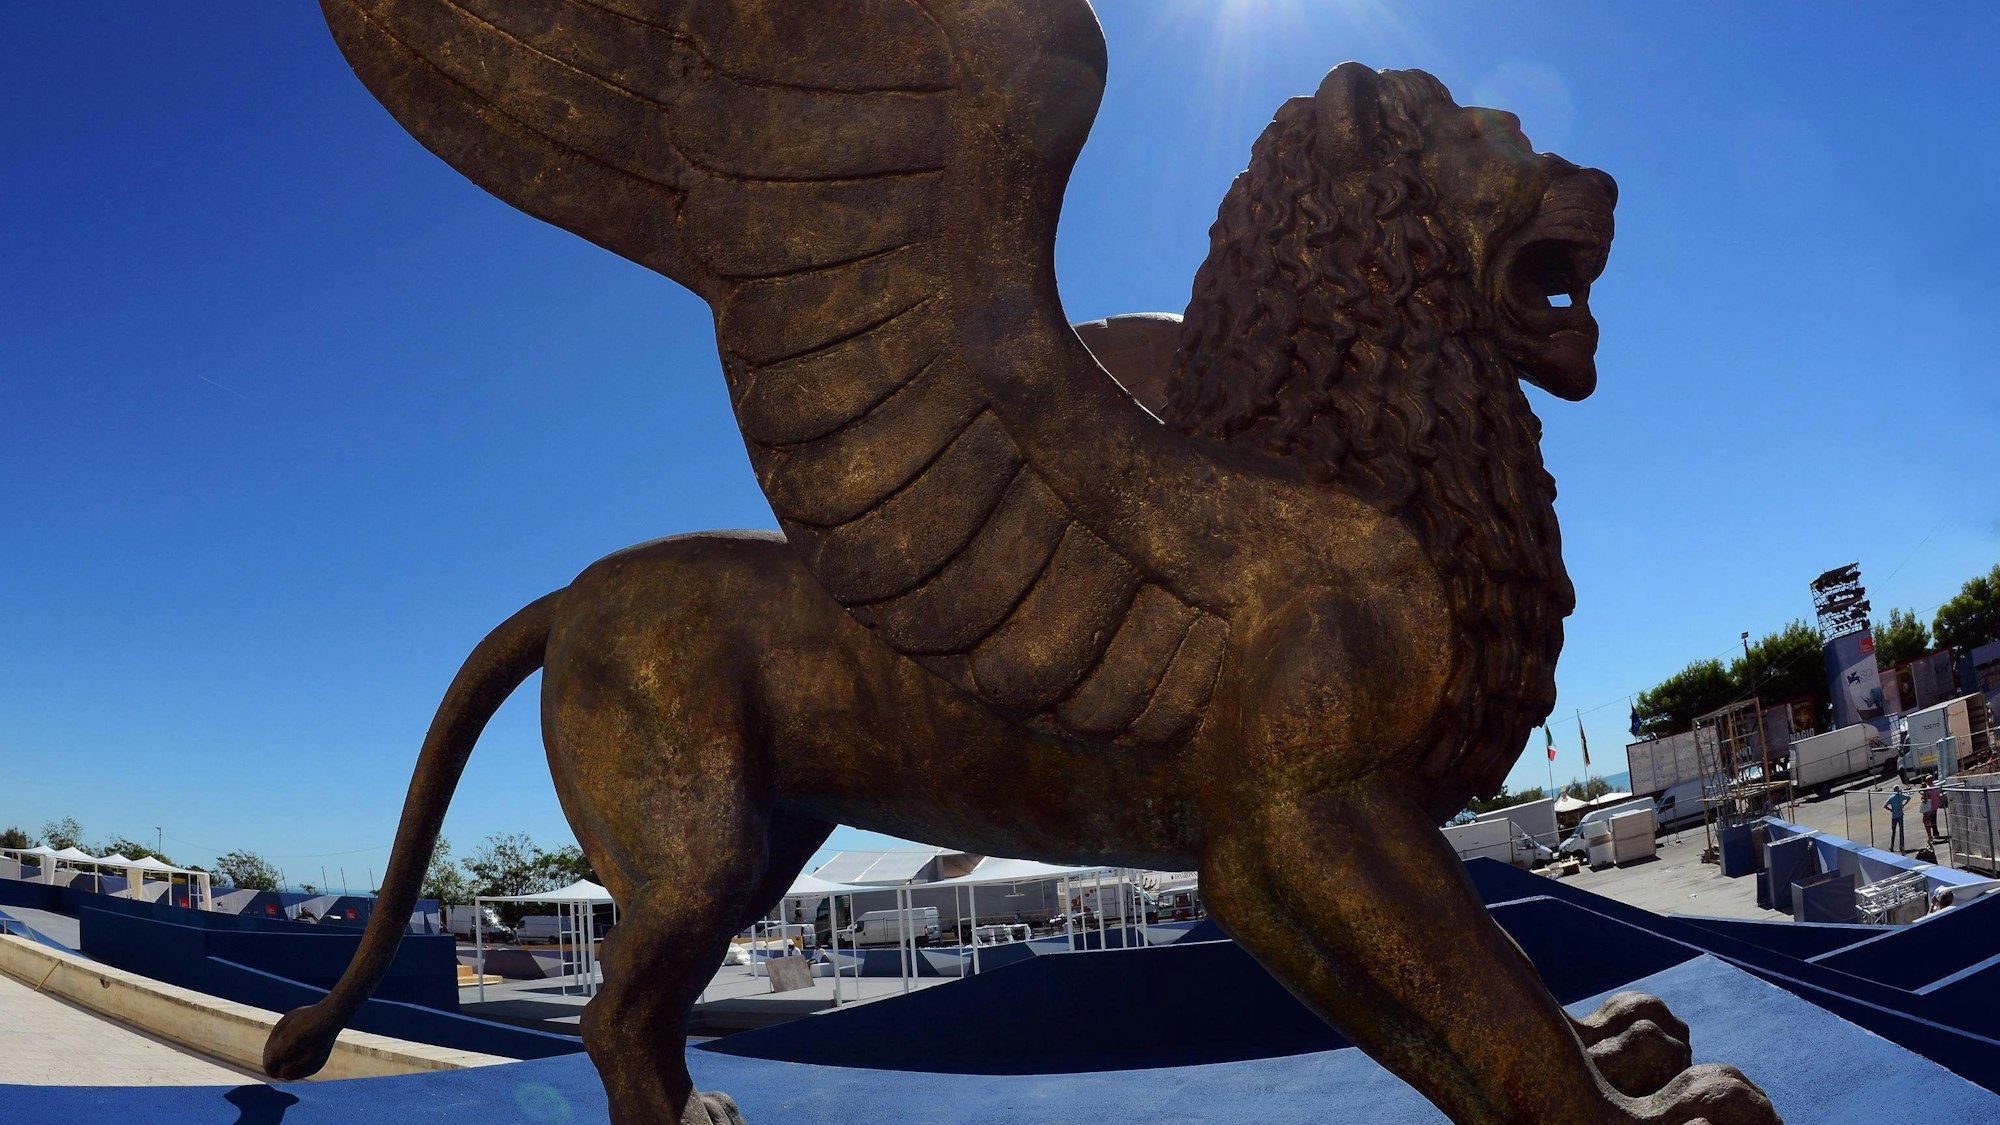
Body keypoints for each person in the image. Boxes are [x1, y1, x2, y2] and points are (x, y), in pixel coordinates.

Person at [1884, 786, 1911, 852]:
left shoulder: (1891, 797)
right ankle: (1901, 846)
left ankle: (1892, 846)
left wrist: (1891, 810)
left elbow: (1885, 806)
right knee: (1901, 831)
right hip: (1900, 815)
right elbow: (1909, 797)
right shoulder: (1901, 796)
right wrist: (1904, 805)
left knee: (1893, 831)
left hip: (1894, 816)